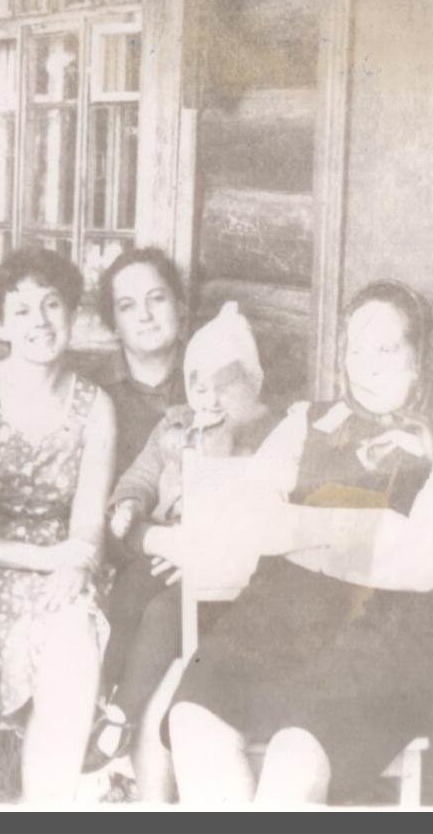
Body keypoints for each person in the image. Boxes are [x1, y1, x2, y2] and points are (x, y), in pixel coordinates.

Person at [167, 280, 433, 804]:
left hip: (382, 642)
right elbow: (246, 519)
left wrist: (297, 531)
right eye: (356, 350)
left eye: (386, 349)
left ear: (421, 358)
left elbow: (425, 563)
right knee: (193, 717)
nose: (367, 366)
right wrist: (375, 530)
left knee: (295, 755)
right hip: (276, 623)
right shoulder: (308, 421)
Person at [90, 302, 282, 800]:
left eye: (225, 385)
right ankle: (102, 695)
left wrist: (209, 551)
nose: (209, 397)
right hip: (170, 553)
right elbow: (141, 474)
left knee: (162, 614)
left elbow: (261, 515)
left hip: (227, 580)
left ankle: (123, 715)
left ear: (252, 385)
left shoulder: (267, 437)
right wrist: (129, 505)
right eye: (198, 383)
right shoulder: (173, 427)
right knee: (129, 591)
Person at [0, 247, 117, 801]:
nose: (41, 322)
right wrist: (51, 559)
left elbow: (87, 525)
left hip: (64, 569)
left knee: (73, 637)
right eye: (21, 310)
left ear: (71, 313)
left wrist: (74, 566)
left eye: (52, 304)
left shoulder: (94, 405)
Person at [93, 248, 188, 478]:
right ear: (114, 323)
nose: (145, 315)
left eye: (157, 298)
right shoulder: (93, 391)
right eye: (127, 306)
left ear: (180, 305)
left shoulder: (213, 373)